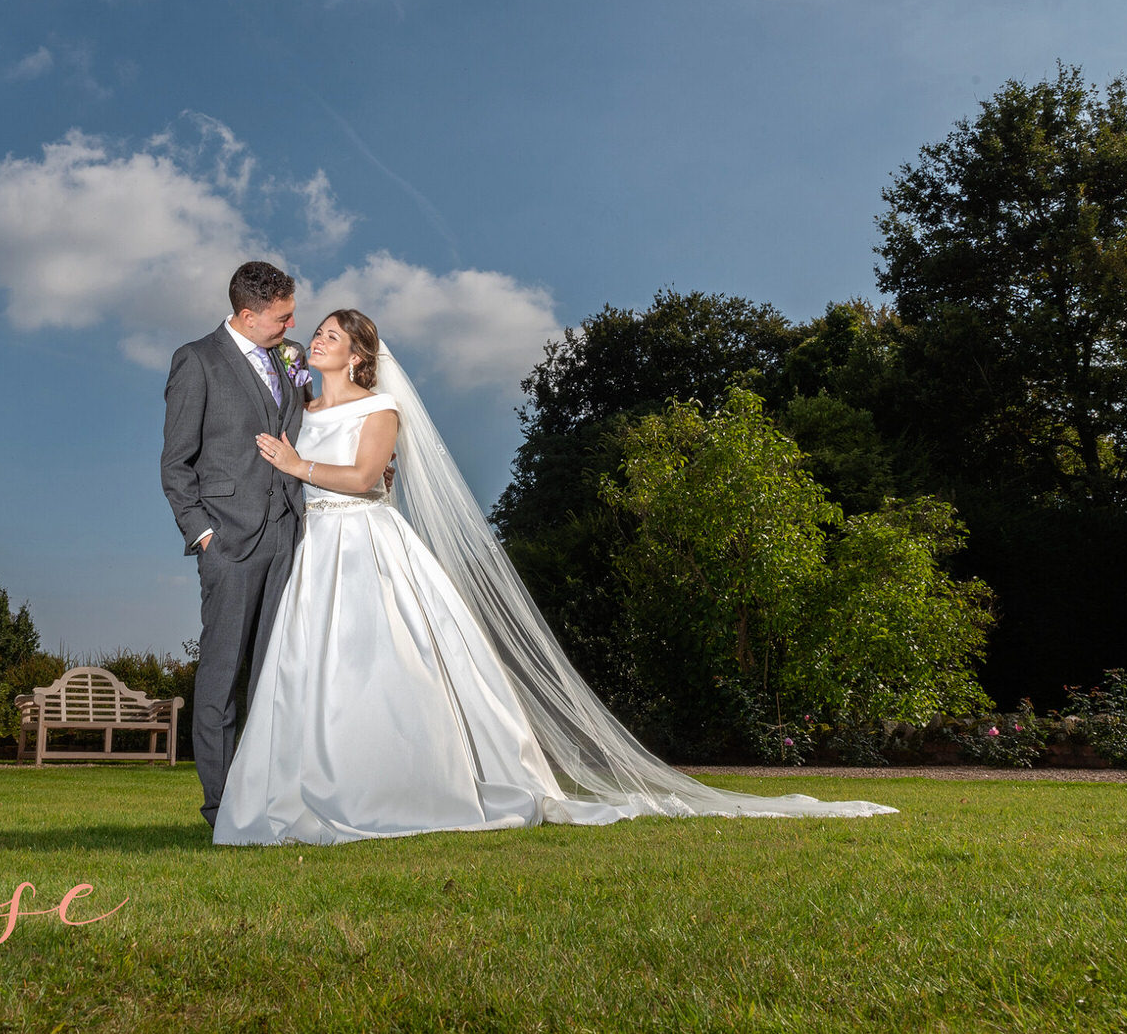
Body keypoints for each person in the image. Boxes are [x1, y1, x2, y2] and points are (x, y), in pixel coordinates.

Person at [212, 308, 900, 846]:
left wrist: (298, 468)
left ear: (360, 353)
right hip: (317, 550)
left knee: (384, 666)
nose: (319, 341)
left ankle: (402, 790)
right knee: (314, 672)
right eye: (320, 334)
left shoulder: (379, 410)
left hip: (366, 544)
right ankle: (307, 792)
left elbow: (366, 479)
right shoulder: (303, 412)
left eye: (332, 334)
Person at [159, 261, 313, 829]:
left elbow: (305, 428)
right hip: (228, 540)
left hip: (289, 534)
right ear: (247, 316)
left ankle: (267, 798)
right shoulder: (196, 360)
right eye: (283, 316)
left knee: (274, 672)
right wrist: (203, 534)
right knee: (222, 675)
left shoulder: (288, 359)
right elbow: (176, 464)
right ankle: (221, 807)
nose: (294, 324)